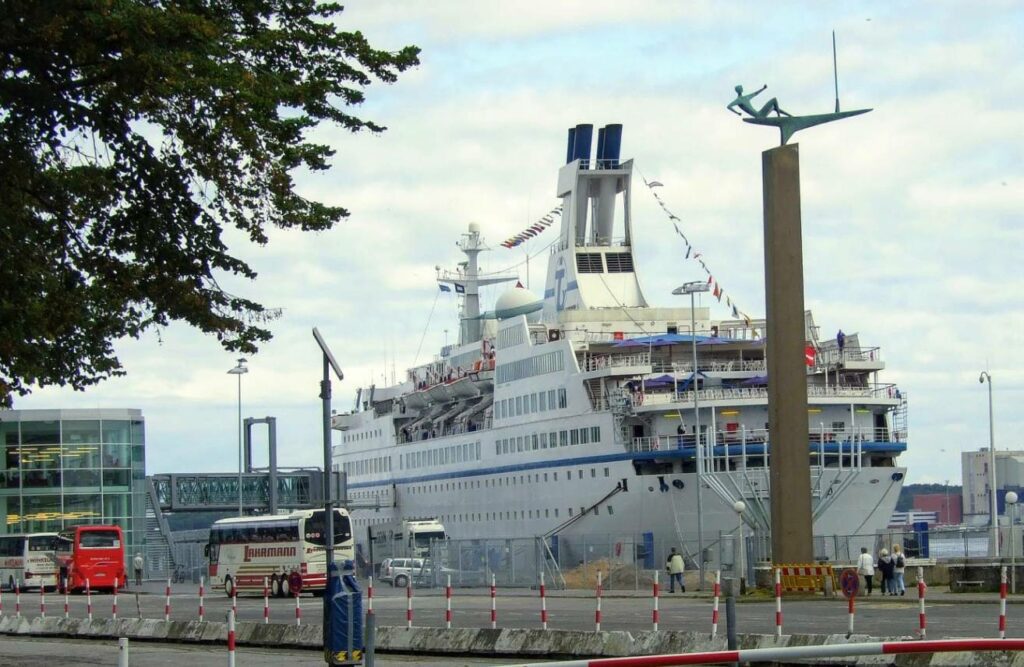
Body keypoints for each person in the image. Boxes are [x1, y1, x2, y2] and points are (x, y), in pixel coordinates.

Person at [727, 84, 792, 119]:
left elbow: (755, 93)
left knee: (773, 107)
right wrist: (737, 113)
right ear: (739, 90)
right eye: (741, 88)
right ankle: (779, 117)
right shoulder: (738, 100)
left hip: (759, 114)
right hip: (758, 115)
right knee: (774, 100)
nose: (742, 89)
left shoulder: (746, 97)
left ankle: (789, 115)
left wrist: (763, 88)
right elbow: (729, 106)